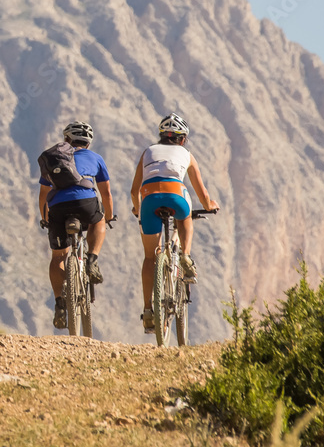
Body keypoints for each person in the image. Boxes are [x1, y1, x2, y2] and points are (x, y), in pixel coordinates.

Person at [130, 113, 219, 333]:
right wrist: (209, 205)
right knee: (185, 217)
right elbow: (201, 191)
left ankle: (149, 310)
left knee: (150, 257)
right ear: (182, 139)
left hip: (148, 197)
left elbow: (134, 190)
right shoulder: (186, 154)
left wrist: (137, 208)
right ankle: (186, 255)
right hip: (175, 195)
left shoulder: (148, 152)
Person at [37, 121, 114, 330]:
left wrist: (45, 218)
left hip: (57, 208)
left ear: (66, 141)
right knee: (98, 221)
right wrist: (109, 216)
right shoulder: (96, 158)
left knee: (58, 257)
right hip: (86, 203)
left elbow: (43, 195)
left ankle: (60, 303)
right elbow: (105, 193)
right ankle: (92, 260)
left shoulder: (56, 159)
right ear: (88, 143)